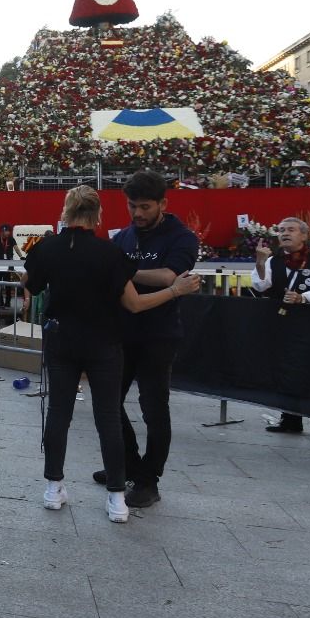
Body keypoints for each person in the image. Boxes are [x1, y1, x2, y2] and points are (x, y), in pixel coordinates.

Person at [23, 187, 201, 523]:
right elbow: (134, 304)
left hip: (62, 340)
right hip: (103, 343)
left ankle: (52, 488)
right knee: (107, 417)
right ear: (98, 215)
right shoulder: (109, 252)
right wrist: (175, 290)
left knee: (59, 413)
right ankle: (117, 498)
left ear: (66, 211)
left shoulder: (47, 247)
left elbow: (29, 285)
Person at [104, 170, 198, 507]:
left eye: (145, 207)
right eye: (132, 206)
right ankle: (128, 464)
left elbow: (168, 277)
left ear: (163, 203)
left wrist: (122, 271)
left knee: (153, 409)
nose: (138, 214)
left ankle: (149, 480)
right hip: (123, 333)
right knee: (110, 403)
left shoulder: (182, 238)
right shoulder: (123, 237)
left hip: (159, 336)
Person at [253, 217, 310, 440]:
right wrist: (260, 263)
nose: (285, 233)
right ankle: (290, 419)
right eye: (281, 230)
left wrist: (303, 297)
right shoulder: (273, 260)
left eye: (290, 230)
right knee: (285, 370)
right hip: (282, 322)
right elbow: (261, 285)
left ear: (304, 235)